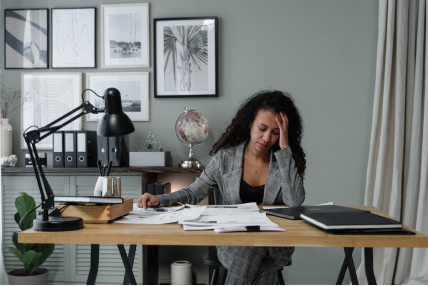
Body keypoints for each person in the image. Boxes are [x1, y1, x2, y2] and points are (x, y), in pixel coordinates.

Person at [138, 90, 306, 285]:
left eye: (275, 132)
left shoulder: (285, 162)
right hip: (233, 241)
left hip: (275, 243)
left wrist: (285, 150)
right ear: (250, 122)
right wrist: (161, 199)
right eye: (262, 128)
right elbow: (194, 193)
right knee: (263, 266)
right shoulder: (225, 159)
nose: (267, 137)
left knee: (255, 246)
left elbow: (294, 202)